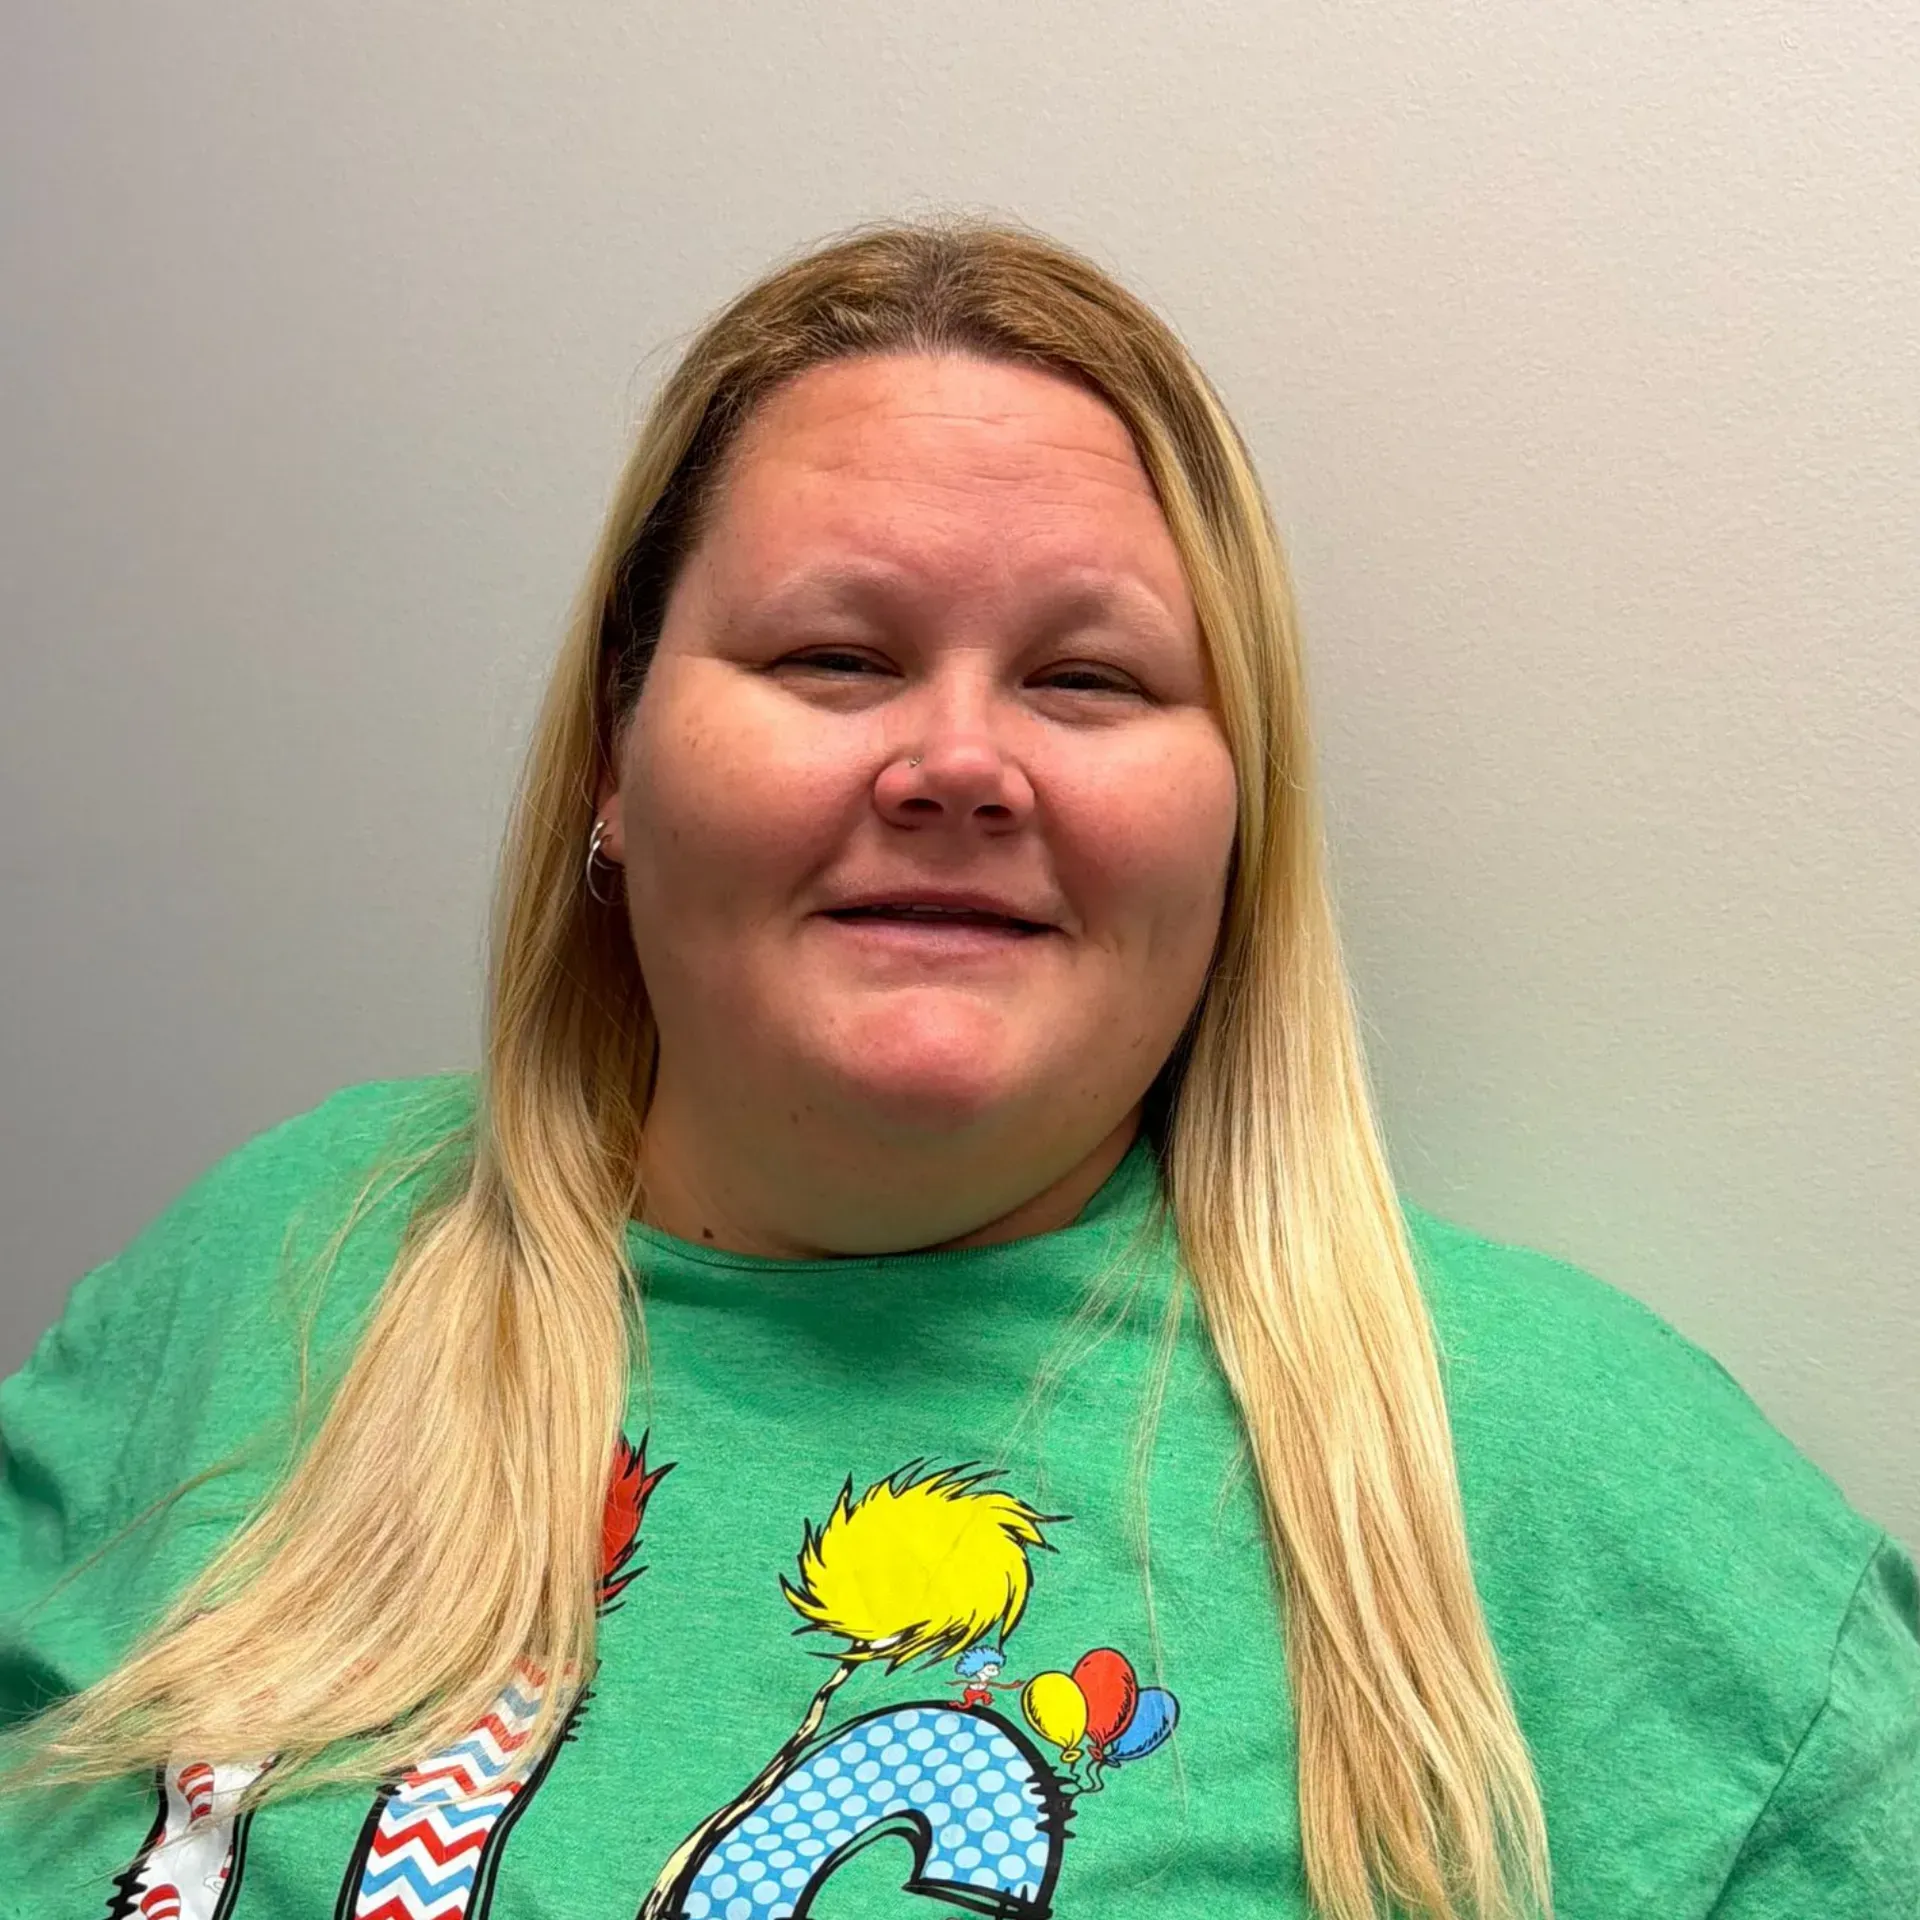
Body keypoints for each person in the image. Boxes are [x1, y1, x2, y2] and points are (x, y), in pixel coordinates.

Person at [0, 219, 1913, 1920]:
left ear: (1237, 821)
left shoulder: (1558, 1468)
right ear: (615, 756)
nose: (957, 763)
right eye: (836, 656)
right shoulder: (281, 1258)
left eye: (1088, 681)